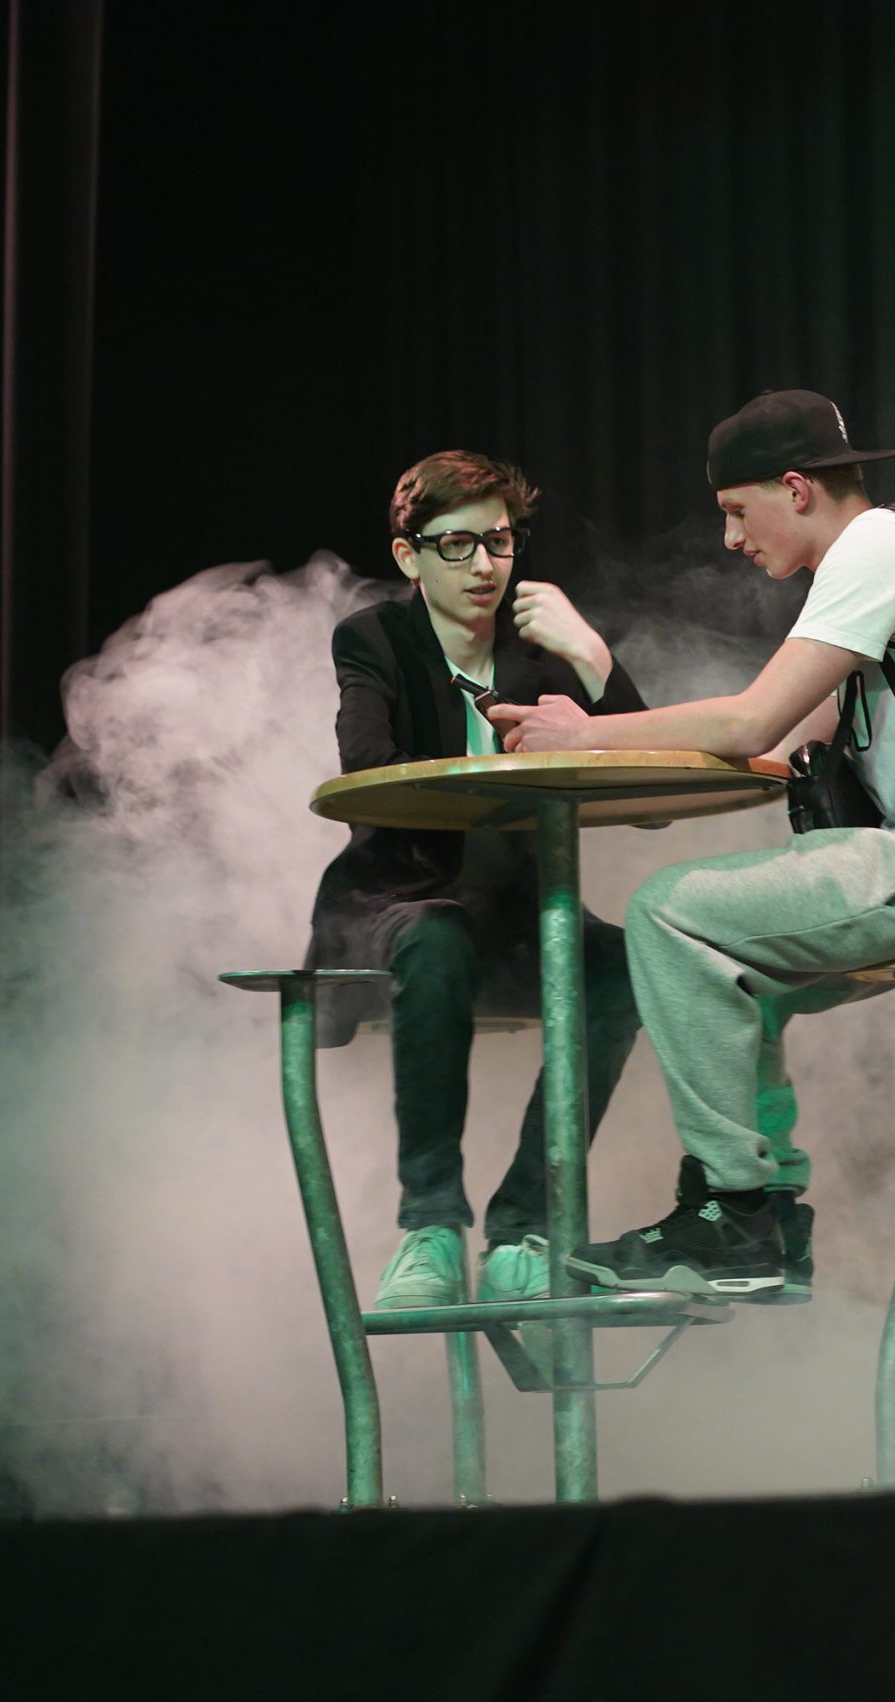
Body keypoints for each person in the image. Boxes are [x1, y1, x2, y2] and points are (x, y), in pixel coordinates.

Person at [491, 391, 895, 1298]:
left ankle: (734, 1211)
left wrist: (585, 736)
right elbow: (774, 751)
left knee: (666, 913)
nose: (731, 538)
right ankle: (764, 1217)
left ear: (796, 489)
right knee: (737, 972)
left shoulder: (880, 547)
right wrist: (602, 679)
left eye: (737, 510)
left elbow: (749, 721)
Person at [304, 450, 646, 1307]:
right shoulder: (375, 639)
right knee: (437, 935)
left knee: (628, 962)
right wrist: (498, 769)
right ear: (409, 556)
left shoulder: (540, 652)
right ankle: (428, 1228)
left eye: (499, 541)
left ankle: (526, 1224)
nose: (485, 565)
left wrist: (592, 657)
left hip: (517, 915)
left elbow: (646, 793)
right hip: (398, 901)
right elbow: (367, 765)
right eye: (456, 545)